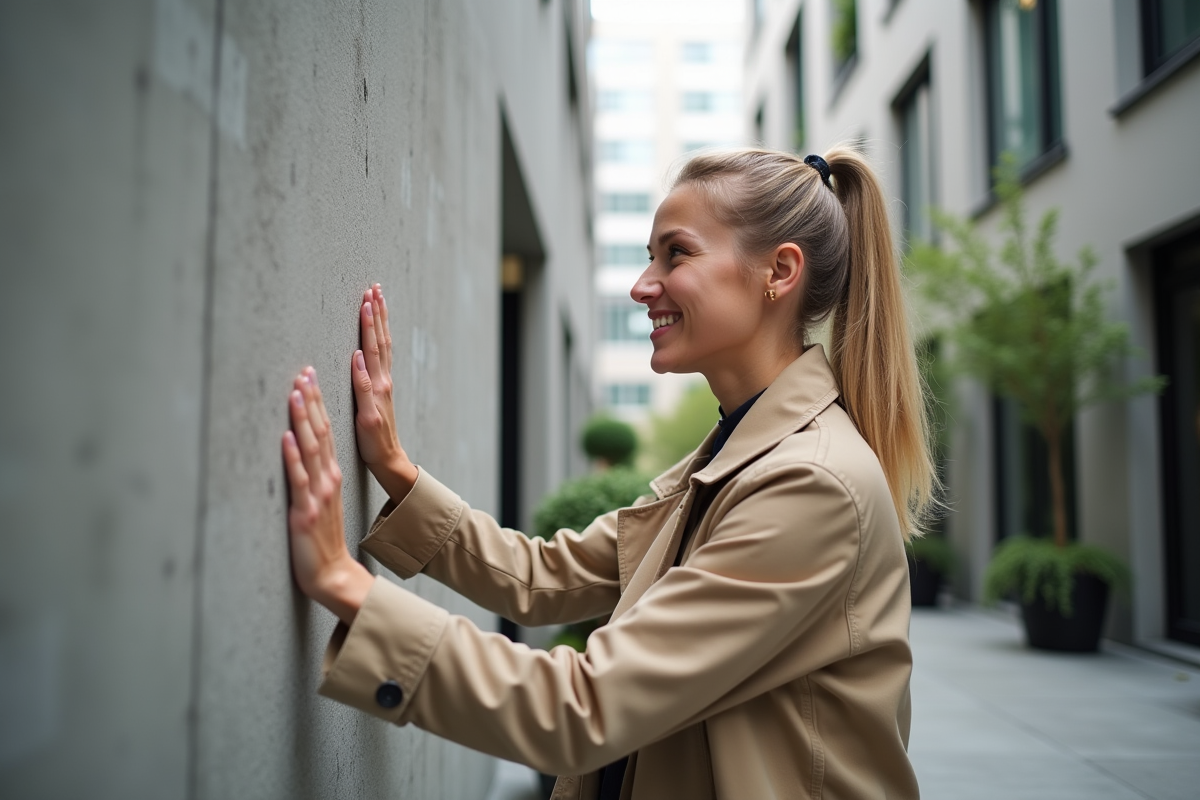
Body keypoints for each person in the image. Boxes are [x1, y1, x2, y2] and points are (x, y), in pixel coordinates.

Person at [281, 147, 936, 799]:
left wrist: (344, 583)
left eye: (676, 254)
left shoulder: (810, 485)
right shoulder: (737, 452)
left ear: (779, 271)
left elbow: (584, 708)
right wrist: (395, 470)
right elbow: (544, 578)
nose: (642, 284)